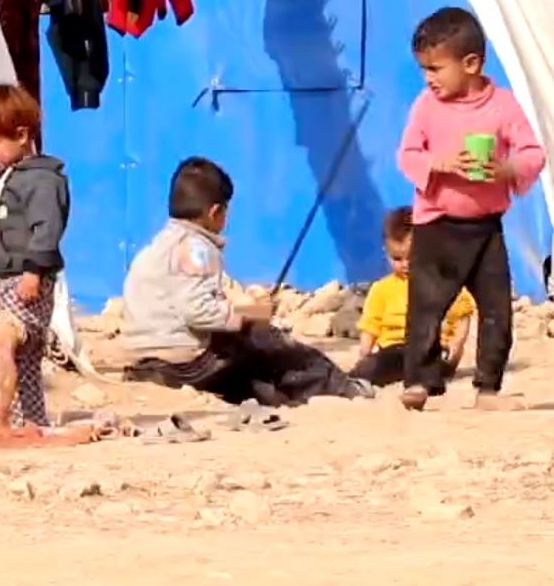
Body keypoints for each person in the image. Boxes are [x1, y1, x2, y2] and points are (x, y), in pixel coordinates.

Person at [121, 157, 372, 406]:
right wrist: (249, 315)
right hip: (185, 364)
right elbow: (198, 312)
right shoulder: (197, 248)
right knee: (268, 340)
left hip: (146, 361)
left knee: (250, 370)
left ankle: (275, 395)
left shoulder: (155, 249)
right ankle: (342, 387)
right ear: (215, 212)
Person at [397, 6, 545, 411]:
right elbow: (407, 155)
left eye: (435, 68)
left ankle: (488, 390)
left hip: (485, 228)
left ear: (471, 64)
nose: (429, 78)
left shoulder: (503, 106)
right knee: (426, 306)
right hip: (437, 225)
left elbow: (533, 153)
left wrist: (507, 168)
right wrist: (439, 164)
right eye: (424, 69)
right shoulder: (426, 106)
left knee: (496, 309)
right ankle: (419, 382)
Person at [0, 84, 70, 428]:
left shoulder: (41, 181)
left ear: (22, 135)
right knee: (21, 356)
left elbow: (47, 228)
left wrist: (34, 272)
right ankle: (30, 420)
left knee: (2, 343)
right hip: (3, 282)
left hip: (27, 280)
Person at [353, 207, 476, 387]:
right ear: (386, 253)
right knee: (377, 365)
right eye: (397, 258)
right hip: (393, 349)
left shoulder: (444, 284)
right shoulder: (381, 289)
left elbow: (462, 317)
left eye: (412, 257)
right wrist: (365, 353)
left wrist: (456, 348)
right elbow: (370, 326)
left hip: (433, 351)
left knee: (423, 363)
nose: (406, 264)